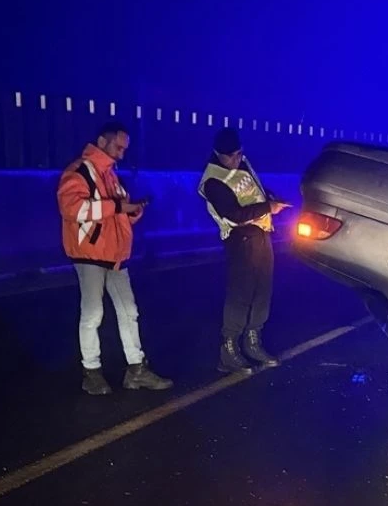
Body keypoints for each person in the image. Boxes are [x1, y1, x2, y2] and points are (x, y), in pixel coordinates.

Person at [56, 121, 173, 395]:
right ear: (102, 141)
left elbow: (117, 210)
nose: (122, 153)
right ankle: (91, 372)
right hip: (90, 255)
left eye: (124, 148)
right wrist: (121, 207)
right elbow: (72, 208)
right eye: (118, 146)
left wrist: (132, 211)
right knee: (93, 314)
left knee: (128, 312)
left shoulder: (109, 174)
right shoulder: (80, 172)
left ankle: (136, 369)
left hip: (115, 256)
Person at [198, 127, 291, 375]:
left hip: (261, 236)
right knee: (241, 293)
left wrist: (269, 200)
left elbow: (252, 193)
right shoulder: (213, 181)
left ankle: (253, 342)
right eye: (232, 156)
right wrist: (268, 208)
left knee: (262, 291)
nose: (237, 160)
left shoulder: (241, 165)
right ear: (219, 154)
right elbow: (234, 214)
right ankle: (229, 350)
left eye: (239, 154)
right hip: (240, 240)